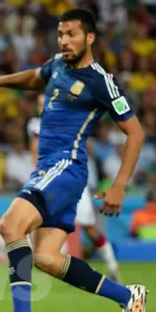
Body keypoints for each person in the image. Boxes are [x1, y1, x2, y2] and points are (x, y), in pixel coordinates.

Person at [0, 9, 148, 312]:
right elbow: (34, 77)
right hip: (49, 168)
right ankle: (128, 296)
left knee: (10, 224)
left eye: (72, 35)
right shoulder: (56, 65)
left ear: (89, 38)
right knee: (46, 259)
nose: (64, 41)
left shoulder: (100, 82)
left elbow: (135, 133)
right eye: (61, 35)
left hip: (66, 165)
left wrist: (119, 185)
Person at [27, 95, 121, 280]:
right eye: (39, 103)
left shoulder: (65, 122)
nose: (42, 106)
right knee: (30, 220)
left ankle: (112, 265)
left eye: (44, 102)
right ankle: (30, 262)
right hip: (48, 183)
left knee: (89, 227)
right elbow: (35, 150)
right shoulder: (36, 125)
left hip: (72, 182)